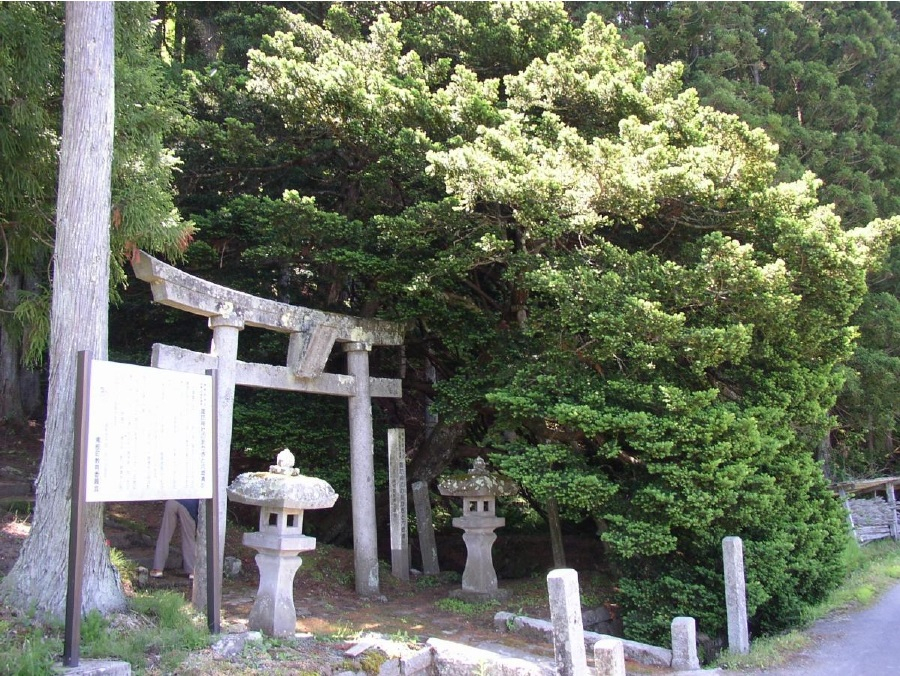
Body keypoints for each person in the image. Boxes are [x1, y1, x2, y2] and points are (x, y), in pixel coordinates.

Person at [150, 499, 198, 579]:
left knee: (164, 535)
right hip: (190, 506)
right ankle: (192, 570)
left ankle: (157, 569)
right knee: (189, 538)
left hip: (173, 501)